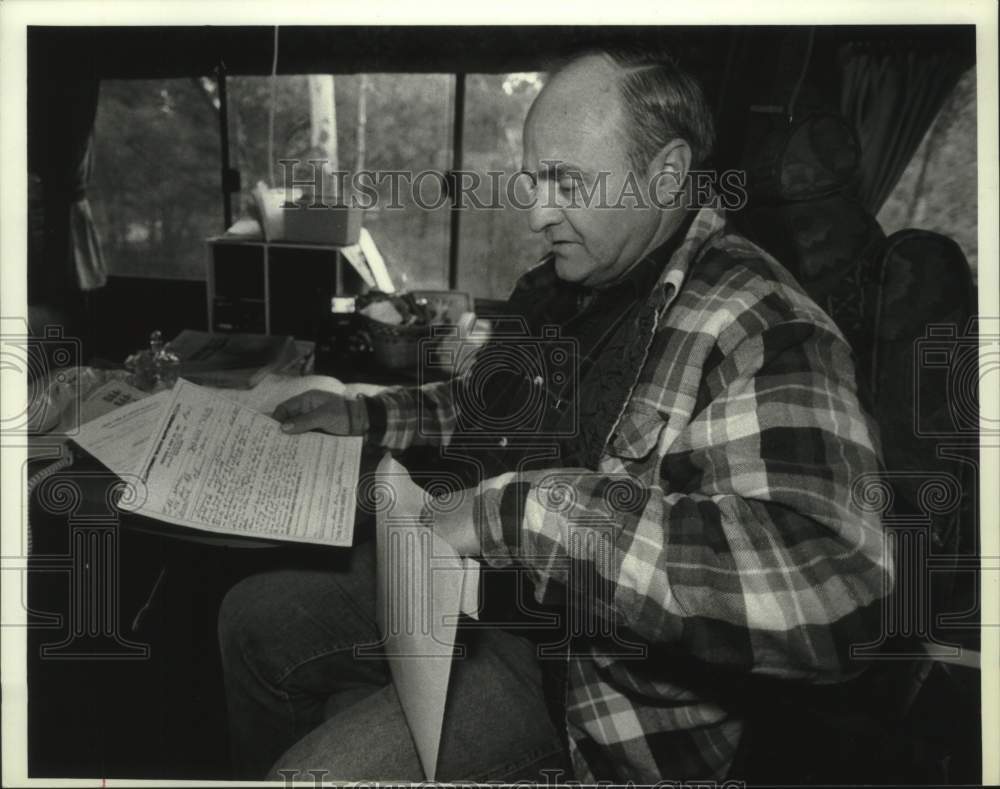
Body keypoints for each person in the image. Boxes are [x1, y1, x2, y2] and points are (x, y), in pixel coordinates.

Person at [218, 47, 891, 783]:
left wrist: (518, 514)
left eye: (566, 182)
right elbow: (480, 404)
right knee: (252, 616)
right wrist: (364, 416)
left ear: (665, 173)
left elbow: (838, 592)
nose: (537, 213)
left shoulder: (762, 325)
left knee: (304, 777)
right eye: (533, 181)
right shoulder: (568, 283)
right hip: (478, 589)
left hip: (582, 680)